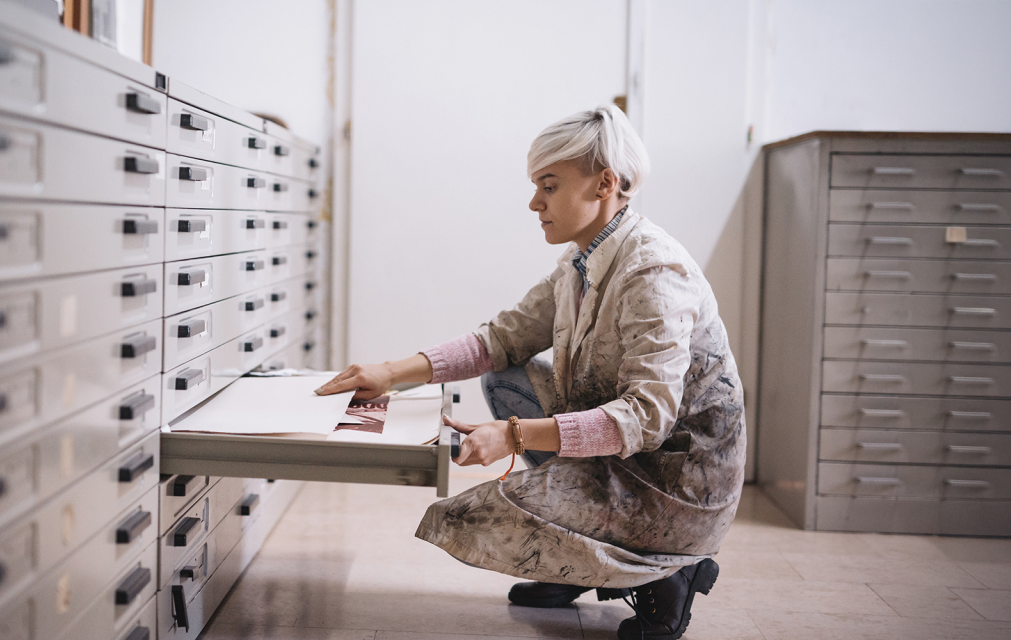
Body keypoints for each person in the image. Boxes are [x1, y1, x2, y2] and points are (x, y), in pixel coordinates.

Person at [316, 104, 746, 640]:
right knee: (506, 379)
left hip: (670, 487)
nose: (533, 202)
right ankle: (580, 565)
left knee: (485, 514)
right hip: (627, 462)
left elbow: (646, 419)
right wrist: (389, 372)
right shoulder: (581, 261)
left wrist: (513, 436)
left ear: (604, 183)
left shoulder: (655, 272)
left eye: (548, 185)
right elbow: (500, 339)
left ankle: (671, 569)